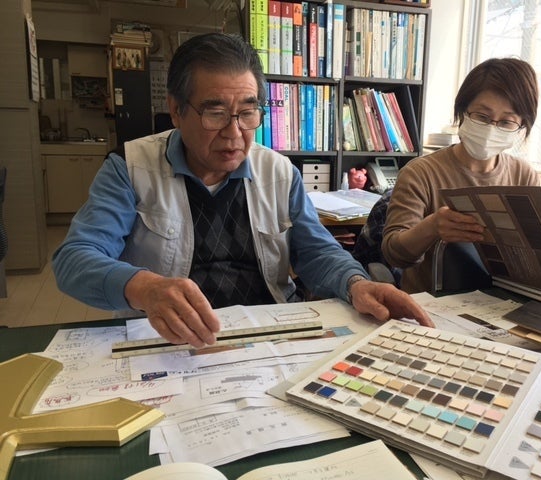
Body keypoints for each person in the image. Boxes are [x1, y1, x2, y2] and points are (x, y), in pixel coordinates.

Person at [52, 33, 432, 347]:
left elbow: (316, 251)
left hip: (271, 332)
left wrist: (356, 284)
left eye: (248, 113)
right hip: (171, 339)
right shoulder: (130, 168)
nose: (234, 133)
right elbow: (74, 260)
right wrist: (144, 288)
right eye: (215, 113)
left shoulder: (278, 172)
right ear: (176, 110)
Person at [382, 57, 541, 294]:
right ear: (462, 112)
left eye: (506, 122)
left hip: (505, 301)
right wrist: (431, 227)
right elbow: (393, 253)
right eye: (482, 117)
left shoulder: (523, 176)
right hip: (434, 304)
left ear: (522, 126)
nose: (492, 128)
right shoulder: (421, 173)